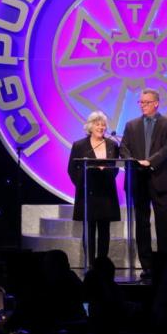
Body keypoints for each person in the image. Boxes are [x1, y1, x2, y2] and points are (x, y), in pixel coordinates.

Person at [120, 88, 167, 279]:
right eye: (140, 102)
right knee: (142, 223)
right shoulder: (131, 125)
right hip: (138, 179)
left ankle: (164, 264)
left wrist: (150, 162)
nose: (142, 105)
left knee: (162, 222)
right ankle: (147, 265)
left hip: (160, 179)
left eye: (146, 102)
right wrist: (134, 162)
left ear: (156, 103)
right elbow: (124, 147)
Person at [68, 111, 120, 263]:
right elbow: (71, 169)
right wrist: (82, 184)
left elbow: (115, 167)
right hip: (88, 194)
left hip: (106, 193)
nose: (101, 127)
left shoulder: (112, 144)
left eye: (103, 124)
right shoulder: (79, 145)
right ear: (90, 127)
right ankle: (90, 265)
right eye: (97, 124)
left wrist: (107, 174)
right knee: (89, 230)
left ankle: (102, 264)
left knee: (105, 231)